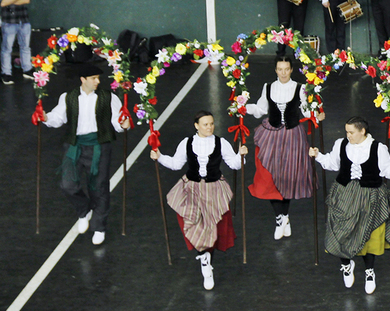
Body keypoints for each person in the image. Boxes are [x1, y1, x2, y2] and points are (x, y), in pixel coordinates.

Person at [151, 111, 247, 290]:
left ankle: (207, 261)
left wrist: (241, 155)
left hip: (214, 189)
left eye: (211, 124)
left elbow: (234, 164)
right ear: (196, 126)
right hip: (192, 188)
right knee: (192, 222)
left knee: (211, 227)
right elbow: (176, 164)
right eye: (205, 124)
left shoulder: (221, 143)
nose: (210, 127)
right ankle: (204, 258)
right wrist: (160, 157)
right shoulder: (187, 143)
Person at [43, 64, 132, 244]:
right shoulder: (68, 97)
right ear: (83, 79)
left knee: (99, 187)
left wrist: (124, 124)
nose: (97, 81)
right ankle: (84, 210)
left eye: (98, 78)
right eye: (93, 78)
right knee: (67, 184)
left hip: (99, 145)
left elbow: (118, 121)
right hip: (74, 145)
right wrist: (45, 118)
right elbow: (57, 118)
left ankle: (99, 227)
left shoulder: (109, 97)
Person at [310, 117, 390, 292]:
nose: (348, 135)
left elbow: (386, 170)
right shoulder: (341, 144)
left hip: (370, 195)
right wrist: (318, 156)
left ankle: (369, 271)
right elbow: (332, 164)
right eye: (347, 132)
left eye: (351, 132)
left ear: (362, 131)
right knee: (340, 231)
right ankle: (346, 264)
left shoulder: (378, 148)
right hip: (344, 194)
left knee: (370, 234)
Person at [245, 57, 323, 239]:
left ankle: (284, 216)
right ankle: (280, 217)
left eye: (286, 69)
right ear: (275, 70)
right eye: (280, 69)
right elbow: (261, 109)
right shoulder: (268, 87)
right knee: (269, 176)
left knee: (287, 176)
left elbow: (306, 110)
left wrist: (316, 114)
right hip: (271, 134)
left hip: (292, 135)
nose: (283, 73)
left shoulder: (300, 88)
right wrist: (243, 107)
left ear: (291, 70)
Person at [1, 0, 32, 84]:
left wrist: (11, 0)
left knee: (25, 47)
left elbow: (27, 0)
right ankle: (6, 73)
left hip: (23, 20)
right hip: (9, 21)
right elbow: (2, 2)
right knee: (7, 48)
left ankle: (27, 69)